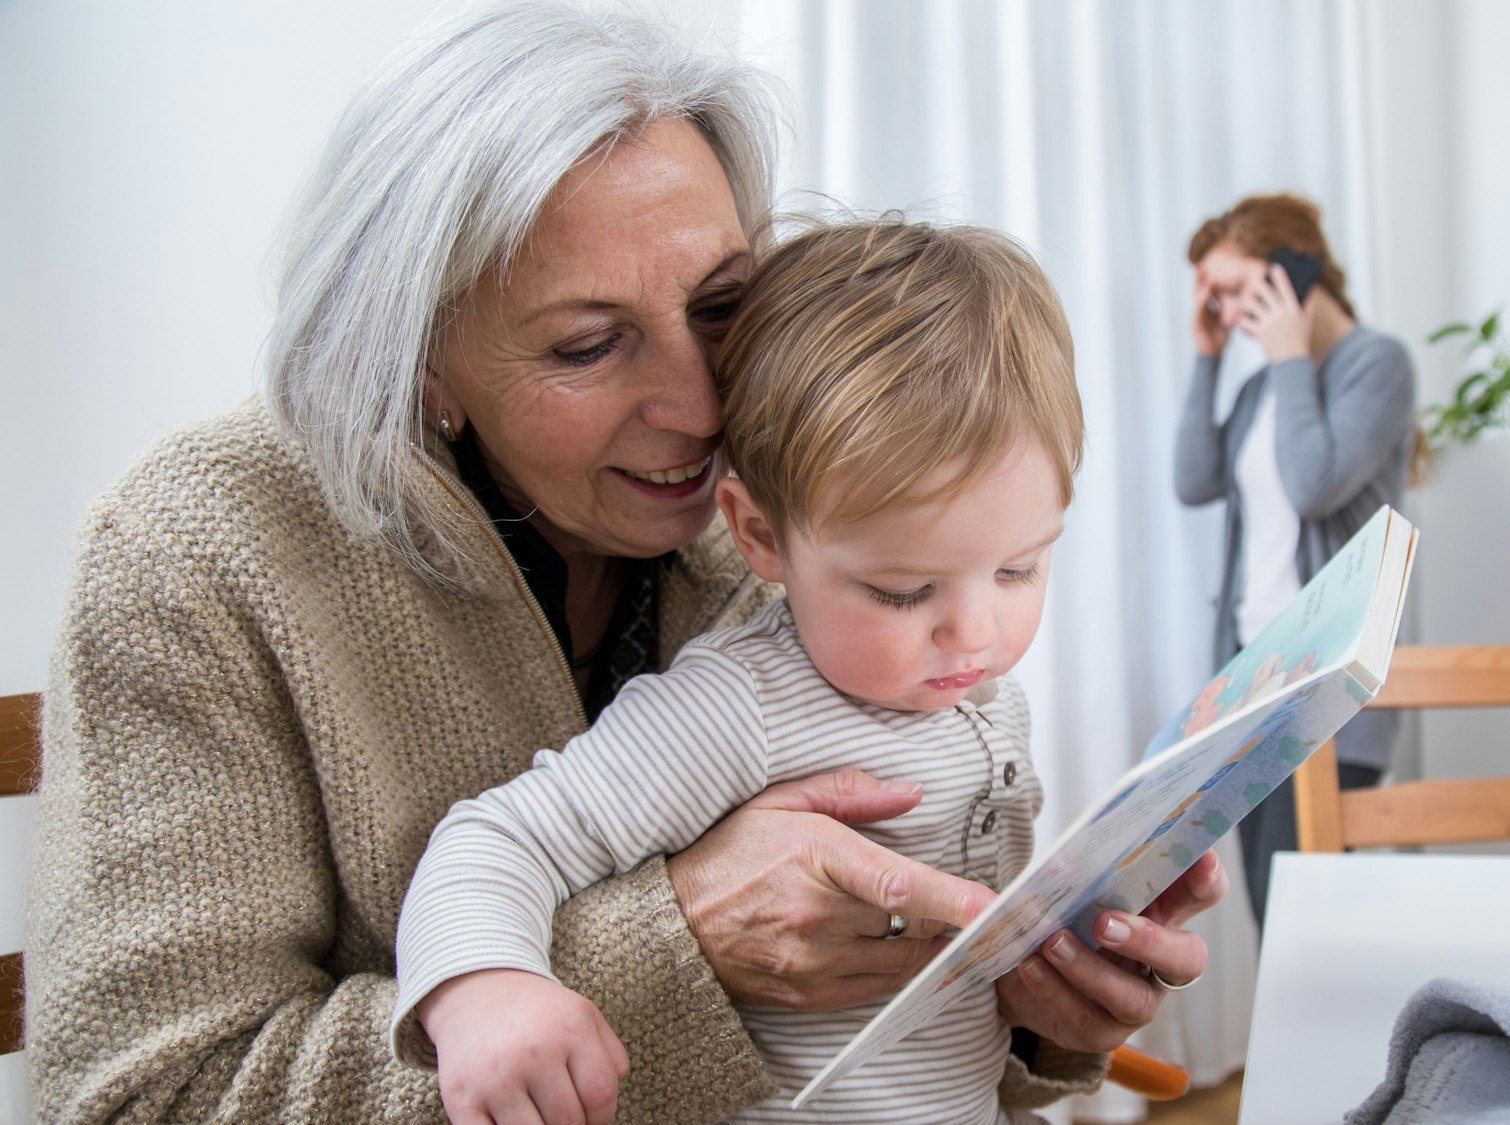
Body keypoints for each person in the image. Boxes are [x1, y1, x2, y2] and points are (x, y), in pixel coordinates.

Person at [26, 7, 1222, 1122]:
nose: (704, 408)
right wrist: (674, 956)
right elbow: (143, 1100)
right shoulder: (198, 555)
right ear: (417, 363)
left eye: (721, 306)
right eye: (589, 345)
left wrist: (1029, 1009)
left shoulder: (799, 504)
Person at [393, 219, 1191, 1125]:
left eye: (1019, 569)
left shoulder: (982, 704)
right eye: (902, 590)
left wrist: (1070, 955)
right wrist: (485, 992)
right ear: (761, 535)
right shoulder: (741, 705)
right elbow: (498, 840)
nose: (975, 632)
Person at [1173, 193, 1416, 926]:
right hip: (1255, 678)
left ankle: (1311, 1045)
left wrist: (1289, 355)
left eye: (1240, 290)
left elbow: (1314, 484)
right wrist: (1207, 359)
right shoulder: (1259, 387)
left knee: (1299, 912)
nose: (1231, 310)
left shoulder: (1374, 363)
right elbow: (1193, 479)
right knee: (1263, 904)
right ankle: (1293, 1043)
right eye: (1218, 296)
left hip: (1328, 681)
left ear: (1295, 274)